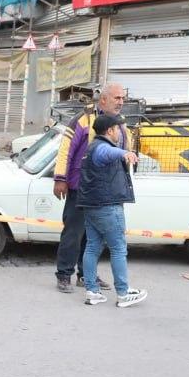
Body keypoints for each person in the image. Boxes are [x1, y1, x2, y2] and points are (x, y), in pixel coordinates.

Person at [52, 84, 126, 293]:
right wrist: (60, 178)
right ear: (103, 100)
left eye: (123, 98)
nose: (121, 102)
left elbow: (123, 151)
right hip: (80, 188)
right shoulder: (83, 119)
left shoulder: (120, 124)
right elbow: (66, 149)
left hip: (104, 191)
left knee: (95, 237)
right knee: (73, 234)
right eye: (117, 98)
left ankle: (86, 275)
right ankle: (64, 275)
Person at [78, 114, 146, 308]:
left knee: (92, 247)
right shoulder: (102, 148)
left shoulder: (90, 148)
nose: (120, 132)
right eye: (118, 129)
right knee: (118, 249)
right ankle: (123, 293)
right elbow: (109, 153)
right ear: (110, 130)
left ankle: (92, 292)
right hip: (107, 207)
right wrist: (124, 153)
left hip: (91, 207)